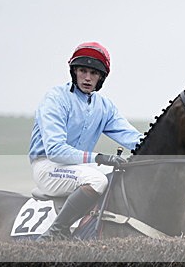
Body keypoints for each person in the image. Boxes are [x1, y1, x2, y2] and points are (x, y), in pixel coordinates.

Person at [28, 41, 143, 240]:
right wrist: (100, 157)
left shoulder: (104, 106)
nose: (88, 78)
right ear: (74, 72)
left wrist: (167, 146)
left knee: (122, 174)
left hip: (79, 168)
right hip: (49, 166)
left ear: (101, 77)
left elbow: (133, 139)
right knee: (97, 179)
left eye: (94, 73)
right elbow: (55, 150)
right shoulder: (55, 98)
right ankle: (55, 232)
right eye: (82, 71)